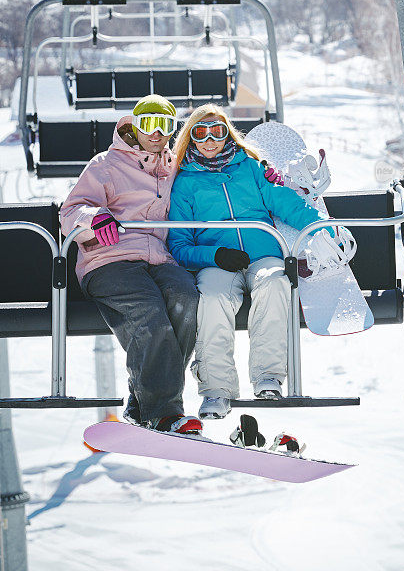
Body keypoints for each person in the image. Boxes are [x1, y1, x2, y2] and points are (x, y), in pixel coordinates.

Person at [167, 105, 330, 419]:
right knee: (212, 298)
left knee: (276, 282)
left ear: (228, 134)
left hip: (263, 255)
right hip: (217, 263)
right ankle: (216, 389)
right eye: (201, 133)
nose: (210, 140)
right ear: (191, 138)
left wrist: (319, 225)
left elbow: (284, 202)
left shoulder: (251, 169)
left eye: (218, 131)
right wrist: (214, 255)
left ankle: (267, 376)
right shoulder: (185, 183)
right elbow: (179, 244)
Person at [60, 94, 201, 435]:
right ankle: (164, 411)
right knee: (149, 312)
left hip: (158, 258)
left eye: (165, 126)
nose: (156, 133)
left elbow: (219, 169)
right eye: (149, 124)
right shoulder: (105, 164)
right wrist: (96, 217)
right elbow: (70, 211)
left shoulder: (172, 165)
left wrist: (268, 173)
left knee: (186, 300)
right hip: (109, 260)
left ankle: (143, 402)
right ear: (133, 126)